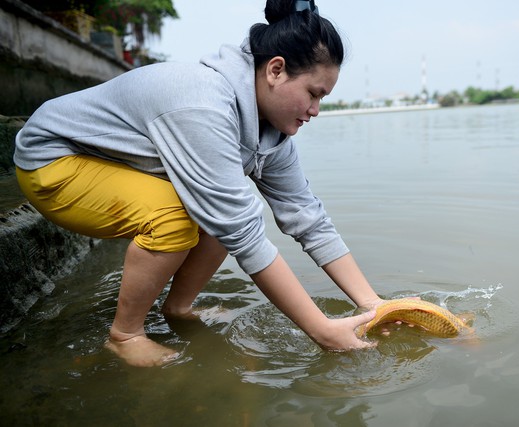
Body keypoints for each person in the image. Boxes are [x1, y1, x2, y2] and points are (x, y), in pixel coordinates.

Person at [13, 0, 384, 367]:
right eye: (313, 93)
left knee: (213, 213)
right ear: (275, 70)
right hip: (54, 159)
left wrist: (373, 305)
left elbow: (308, 218)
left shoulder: (273, 135)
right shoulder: (203, 105)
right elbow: (244, 233)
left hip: (119, 166)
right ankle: (125, 336)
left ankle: (179, 308)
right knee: (175, 218)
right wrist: (320, 329)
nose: (316, 110)